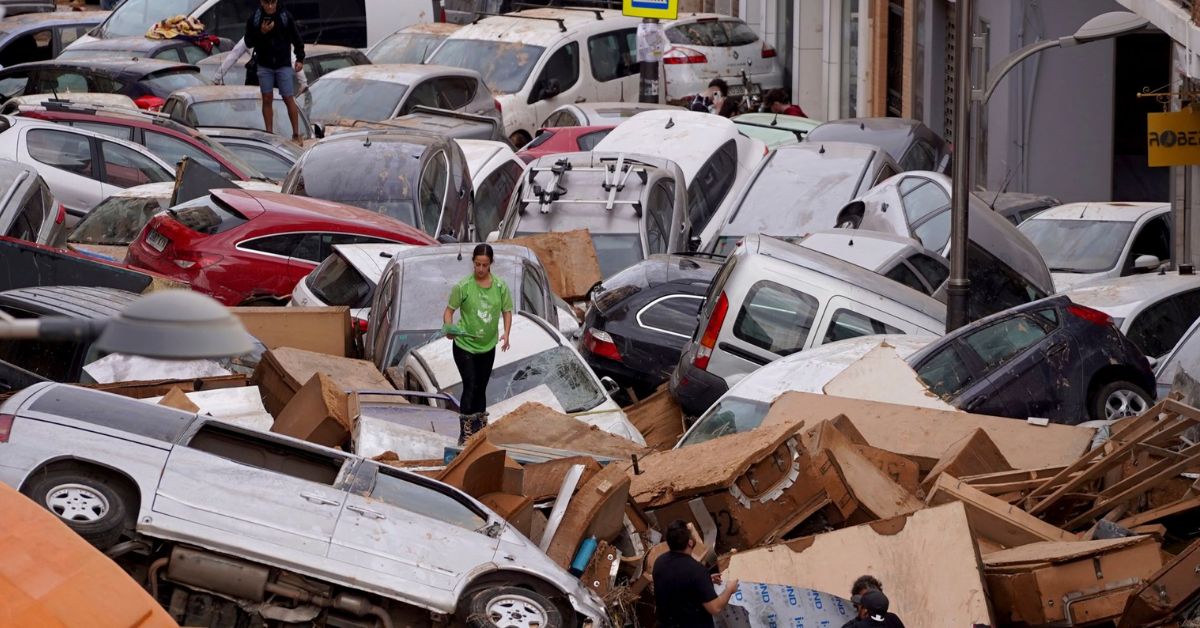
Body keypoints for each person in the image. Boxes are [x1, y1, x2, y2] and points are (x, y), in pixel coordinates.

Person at [443, 244, 513, 444]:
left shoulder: (500, 286)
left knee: (482, 387)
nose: (480, 269)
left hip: (487, 345)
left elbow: (507, 311)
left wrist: (507, 334)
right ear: (473, 263)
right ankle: (465, 430)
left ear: (491, 264)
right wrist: (449, 328)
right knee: (470, 385)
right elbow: (449, 311)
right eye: (477, 264)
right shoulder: (463, 286)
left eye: (484, 265)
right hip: (465, 344)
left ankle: (480, 427)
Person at [653, 520, 739, 628]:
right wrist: (730, 589)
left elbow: (677, 586)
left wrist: (706, 580)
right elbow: (715, 608)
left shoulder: (660, 562)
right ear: (690, 542)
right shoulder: (696, 571)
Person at [244, 0, 305, 143]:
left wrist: (300, 58)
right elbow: (248, 41)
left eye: (273, 2)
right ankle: (269, 134)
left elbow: (296, 38)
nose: (270, 7)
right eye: (267, 3)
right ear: (261, 2)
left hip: (282, 63)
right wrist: (261, 32)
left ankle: (296, 134)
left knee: (288, 97)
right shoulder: (255, 17)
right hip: (264, 64)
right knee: (267, 98)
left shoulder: (284, 15)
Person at [213, 37, 308, 94]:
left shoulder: (252, 35)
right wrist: (303, 82)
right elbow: (292, 60)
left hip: (257, 80)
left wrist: (217, 78)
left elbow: (234, 55)